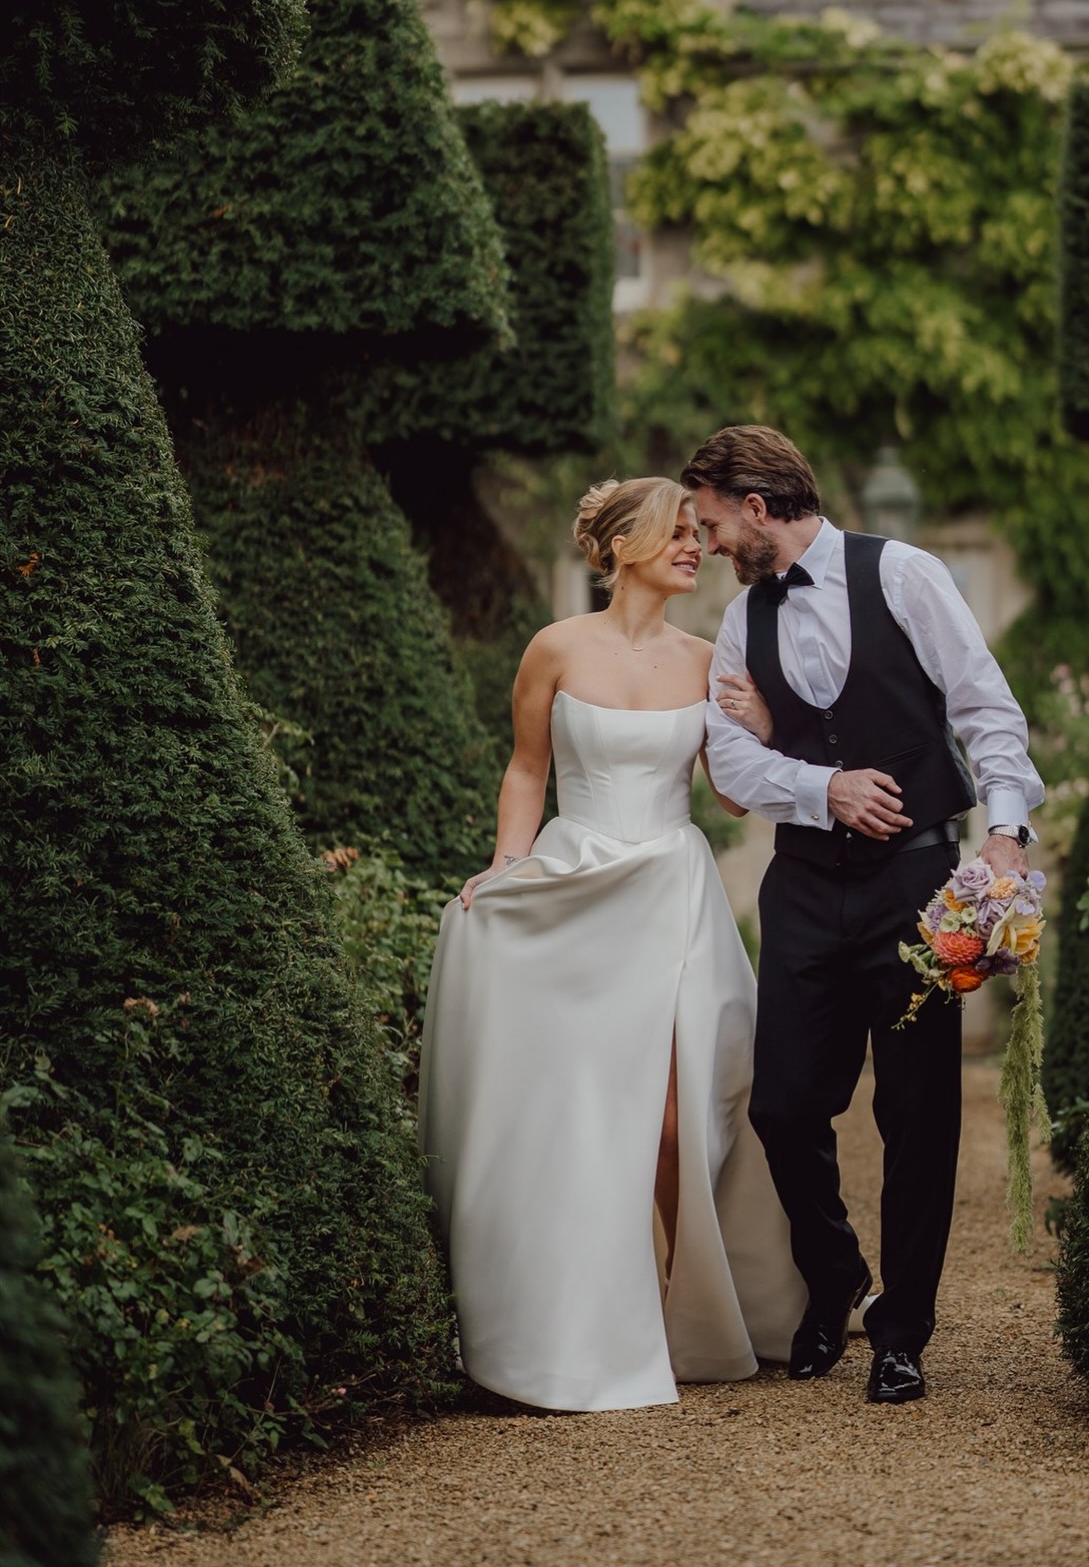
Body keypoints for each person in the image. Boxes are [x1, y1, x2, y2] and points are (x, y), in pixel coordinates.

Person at [418, 476, 805, 1412]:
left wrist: (760, 726)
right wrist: (508, 867)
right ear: (624, 545)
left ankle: (682, 1313)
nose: (695, 546)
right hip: (576, 889)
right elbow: (527, 769)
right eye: (677, 533)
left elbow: (731, 797)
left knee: (678, 1120)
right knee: (580, 1115)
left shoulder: (708, 659)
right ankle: (572, 1324)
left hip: (672, 894)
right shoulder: (554, 647)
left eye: (696, 533)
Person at [683, 426, 1043, 1405]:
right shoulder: (740, 622)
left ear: (757, 507)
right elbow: (731, 758)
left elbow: (985, 707)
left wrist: (1005, 832)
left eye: (713, 525)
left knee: (918, 1112)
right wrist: (824, 788)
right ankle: (835, 1267)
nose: (710, 545)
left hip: (917, 882)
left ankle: (901, 1330)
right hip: (803, 885)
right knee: (783, 1103)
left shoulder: (906, 575)